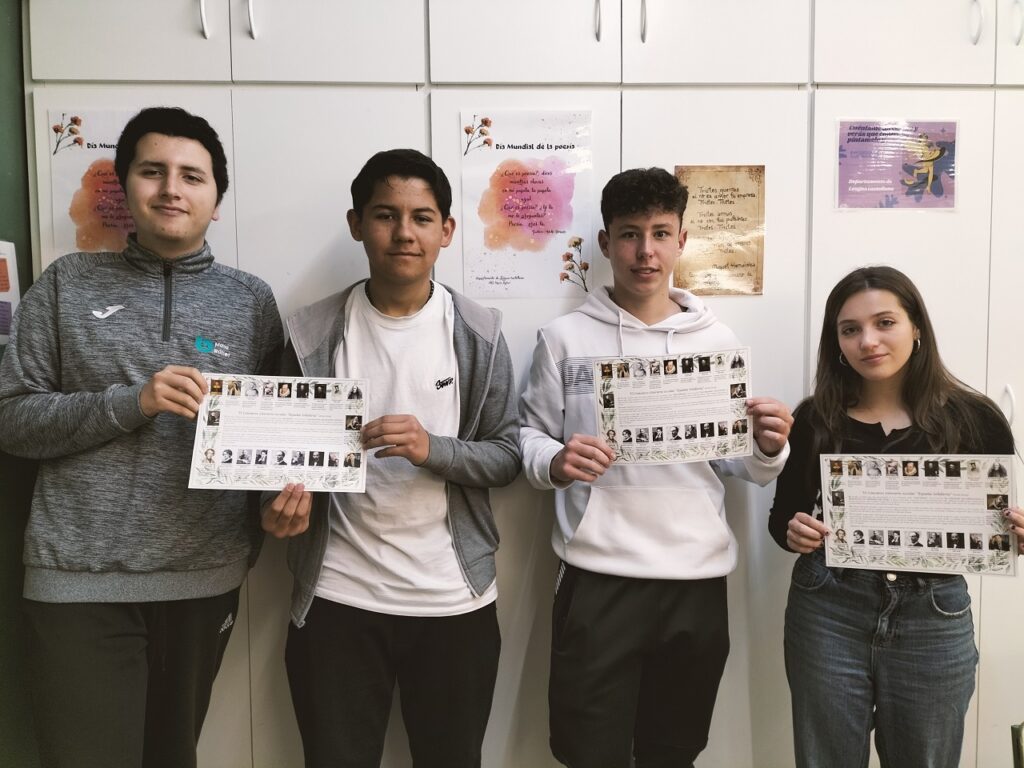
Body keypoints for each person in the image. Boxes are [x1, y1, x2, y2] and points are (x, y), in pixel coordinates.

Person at [0, 106, 283, 768]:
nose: (171, 189)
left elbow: (271, 435)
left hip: (203, 576)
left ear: (217, 199)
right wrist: (132, 403)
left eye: (192, 176)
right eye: (152, 171)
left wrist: (280, 501)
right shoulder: (66, 284)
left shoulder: (251, 301)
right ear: (124, 185)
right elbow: (11, 417)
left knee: (172, 756)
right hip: (77, 581)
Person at [519, 167, 792, 768]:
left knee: (673, 752)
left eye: (661, 233)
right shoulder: (563, 339)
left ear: (681, 240)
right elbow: (528, 437)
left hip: (695, 579)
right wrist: (557, 460)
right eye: (630, 234)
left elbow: (739, 462)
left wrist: (769, 447)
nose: (646, 251)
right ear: (605, 241)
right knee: (589, 753)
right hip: (598, 577)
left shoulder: (716, 341)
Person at [258, 148, 520, 768]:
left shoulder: (480, 333)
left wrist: (434, 450)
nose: (404, 232)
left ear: (446, 231)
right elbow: (274, 458)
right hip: (338, 598)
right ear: (357, 224)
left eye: (422, 217)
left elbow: (507, 456)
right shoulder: (308, 333)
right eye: (385, 215)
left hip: (453, 600)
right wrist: (277, 507)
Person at [768, 266, 1019, 768]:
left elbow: (998, 526)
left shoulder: (975, 419)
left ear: (916, 326)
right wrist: (795, 532)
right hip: (829, 609)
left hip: (934, 614)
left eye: (885, 322)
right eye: (850, 329)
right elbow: (782, 521)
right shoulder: (815, 419)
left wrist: (1016, 534)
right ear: (837, 342)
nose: (868, 341)